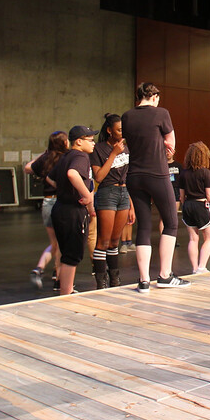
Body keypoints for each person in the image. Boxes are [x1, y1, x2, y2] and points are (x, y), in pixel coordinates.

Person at [122, 82, 189, 292]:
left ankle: (143, 281)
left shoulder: (127, 116)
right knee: (170, 223)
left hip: (134, 175)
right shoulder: (162, 113)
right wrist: (166, 147)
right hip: (157, 173)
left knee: (142, 226)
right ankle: (165, 275)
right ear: (154, 96)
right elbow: (171, 144)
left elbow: (130, 142)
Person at [48, 126, 97, 295]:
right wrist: (87, 196)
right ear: (79, 141)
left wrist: (65, 189)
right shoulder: (80, 156)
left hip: (59, 208)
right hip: (72, 211)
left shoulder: (65, 156)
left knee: (66, 252)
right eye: (90, 140)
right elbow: (72, 174)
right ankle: (66, 293)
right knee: (72, 255)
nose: (93, 144)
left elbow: (50, 178)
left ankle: (65, 289)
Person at [89, 113, 132, 289]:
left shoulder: (127, 148)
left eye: (123, 130)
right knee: (103, 241)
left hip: (124, 193)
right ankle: (101, 282)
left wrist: (132, 205)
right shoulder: (98, 149)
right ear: (109, 131)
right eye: (119, 129)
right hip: (107, 192)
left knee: (115, 241)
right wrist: (113, 154)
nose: (122, 133)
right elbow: (98, 176)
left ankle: (115, 279)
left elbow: (129, 177)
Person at [25, 131, 68, 291]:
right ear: (63, 143)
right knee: (62, 244)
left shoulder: (46, 158)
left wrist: (41, 157)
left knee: (54, 243)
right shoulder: (65, 157)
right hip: (61, 201)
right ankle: (59, 279)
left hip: (47, 202)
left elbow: (27, 168)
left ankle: (39, 269)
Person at [179, 142, 210, 275]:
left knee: (193, 239)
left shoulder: (183, 174)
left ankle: (195, 268)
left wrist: (186, 206)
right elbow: (209, 194)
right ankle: (202, 267)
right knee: (209, 238)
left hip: (188, 206)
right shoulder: (205, 173)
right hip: (201, 206)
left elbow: (181, 196)